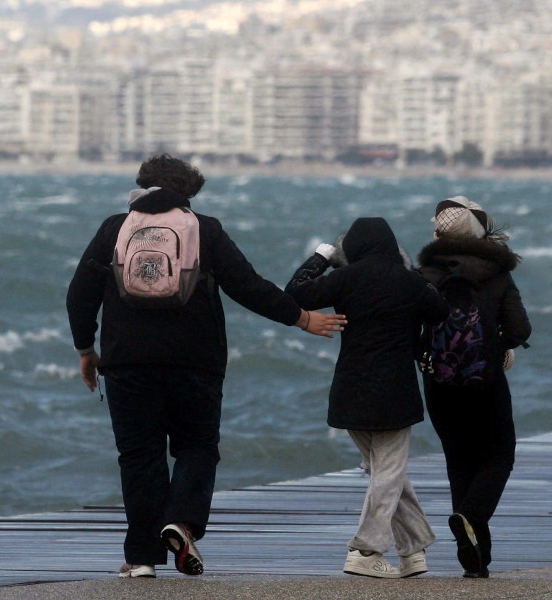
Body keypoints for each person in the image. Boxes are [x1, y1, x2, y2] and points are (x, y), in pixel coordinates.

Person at [66, 155, 346, 579]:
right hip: (196, 361)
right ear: (187, 193)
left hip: (127, 362)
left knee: (139, 457)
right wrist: (301, 318)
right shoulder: (204, 229)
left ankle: (141, 558)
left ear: (142, 185)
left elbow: (79, 294)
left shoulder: (114, 228)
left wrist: (86, 349)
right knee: (197, 447)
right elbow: (247, 285)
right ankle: (182, 522)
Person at [285, 217, 447, 579]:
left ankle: (414, 549)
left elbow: (295, 292)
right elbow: (440, 311)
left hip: (350, 390)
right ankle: (365, 550)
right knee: (388, 471)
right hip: (395, 392)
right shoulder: (409, 282)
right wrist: (411, 275)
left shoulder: (346, 278)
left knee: (386, 472)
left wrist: (321, 257)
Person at [416, 196, 532, 578]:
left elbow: (411, 330)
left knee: (459, 462)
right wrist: (498, 347)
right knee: (499, 456)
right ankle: (471, 516)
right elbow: (519, 329)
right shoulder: (497, 273)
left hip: (438, 383)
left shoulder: (425, 274)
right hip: (486, 382)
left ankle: (475, 559)